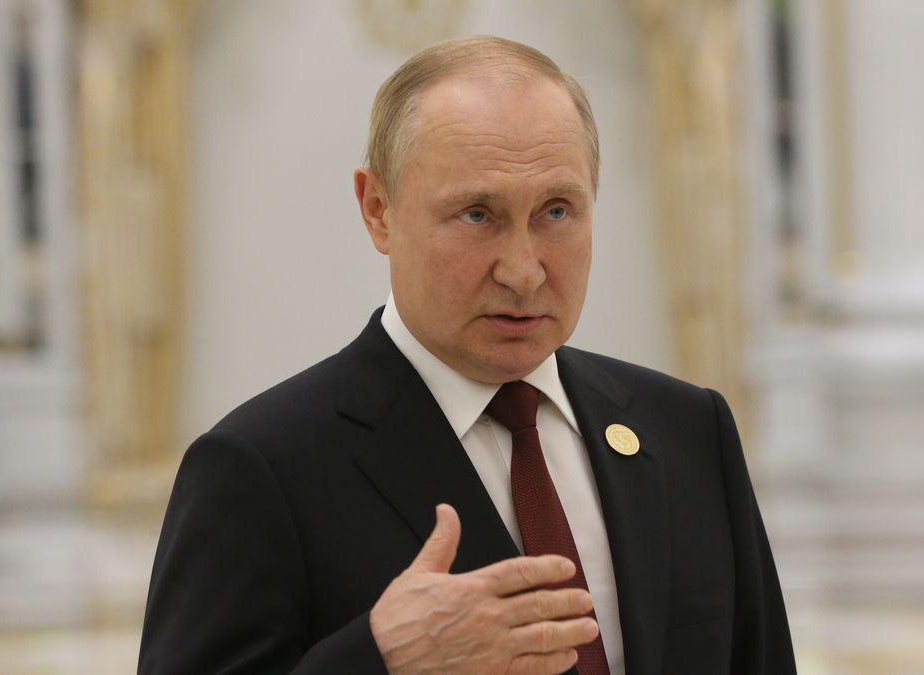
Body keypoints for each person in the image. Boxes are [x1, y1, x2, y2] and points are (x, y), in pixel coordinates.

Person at [138, 35, 796, 675]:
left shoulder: (687, 430)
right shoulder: (258, 469)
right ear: (377, 209)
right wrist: (381, 658)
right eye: (478, 214)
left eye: (557, 211)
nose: (524, 271)